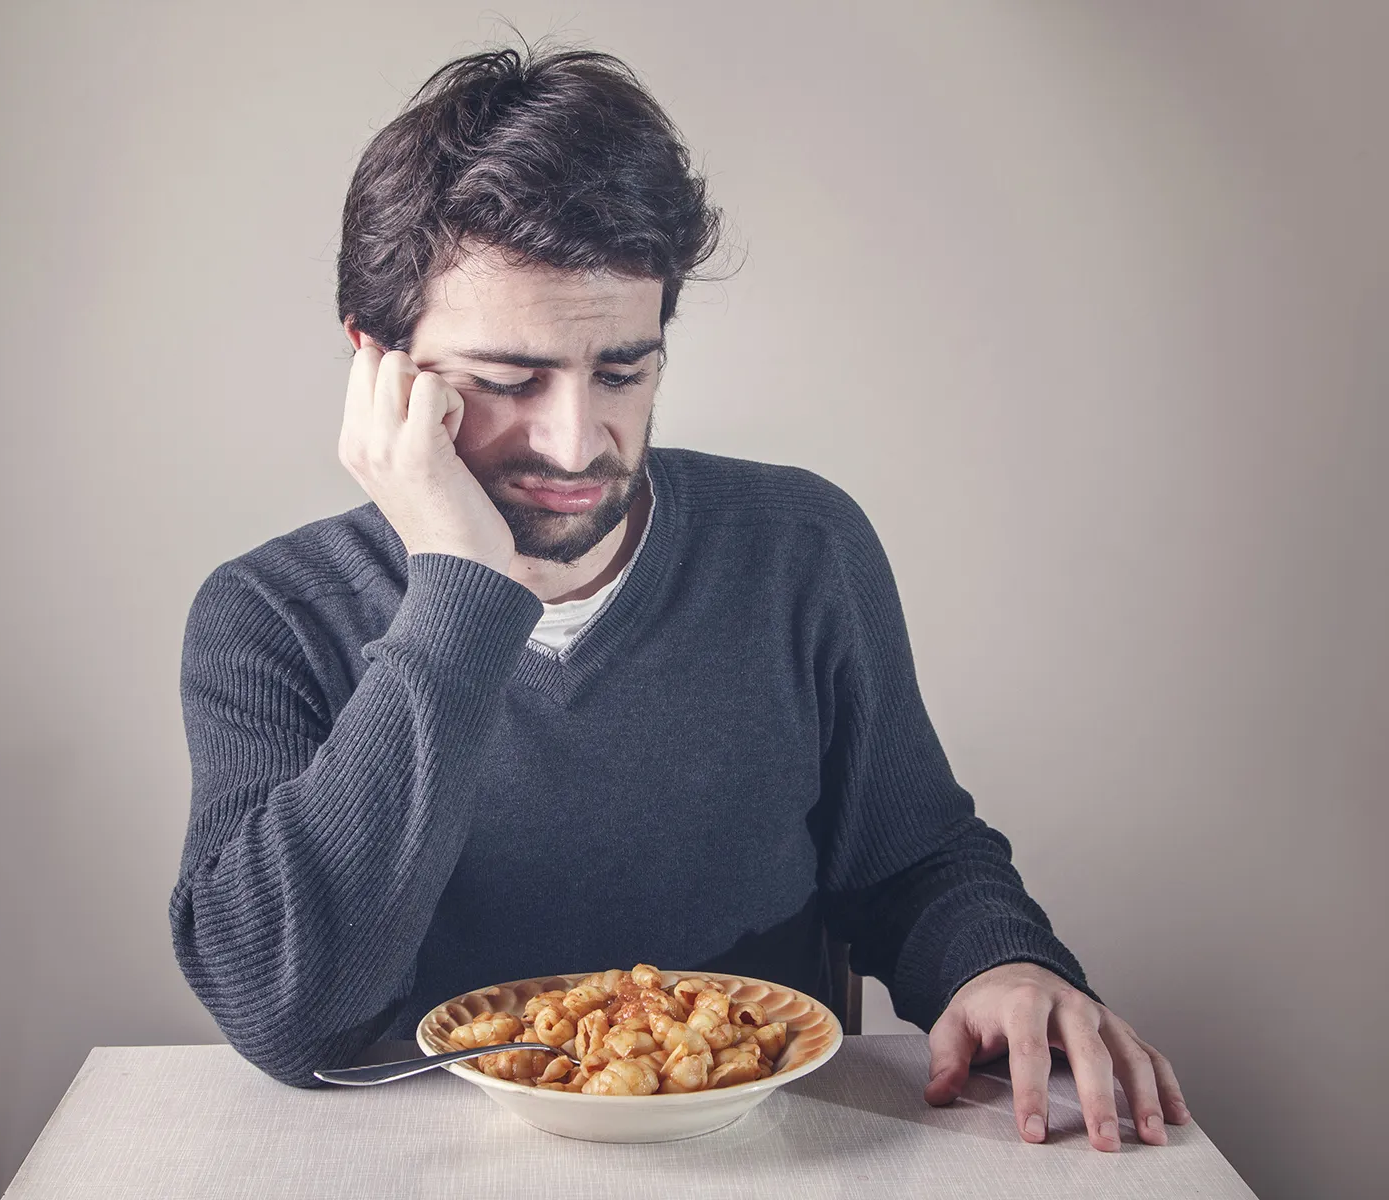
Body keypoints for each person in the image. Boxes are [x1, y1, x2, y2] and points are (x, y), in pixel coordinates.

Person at [171, 43, 1190, 1151]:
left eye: (622, 371)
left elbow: (914, 860)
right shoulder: (268, 616)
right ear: (377, 363)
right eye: (508, 381)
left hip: (766, 1154)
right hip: (419, 1166)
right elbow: (284, 1013)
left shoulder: (802, 551)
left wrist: (1000, 962)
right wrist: (460, 589)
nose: (575, 442)